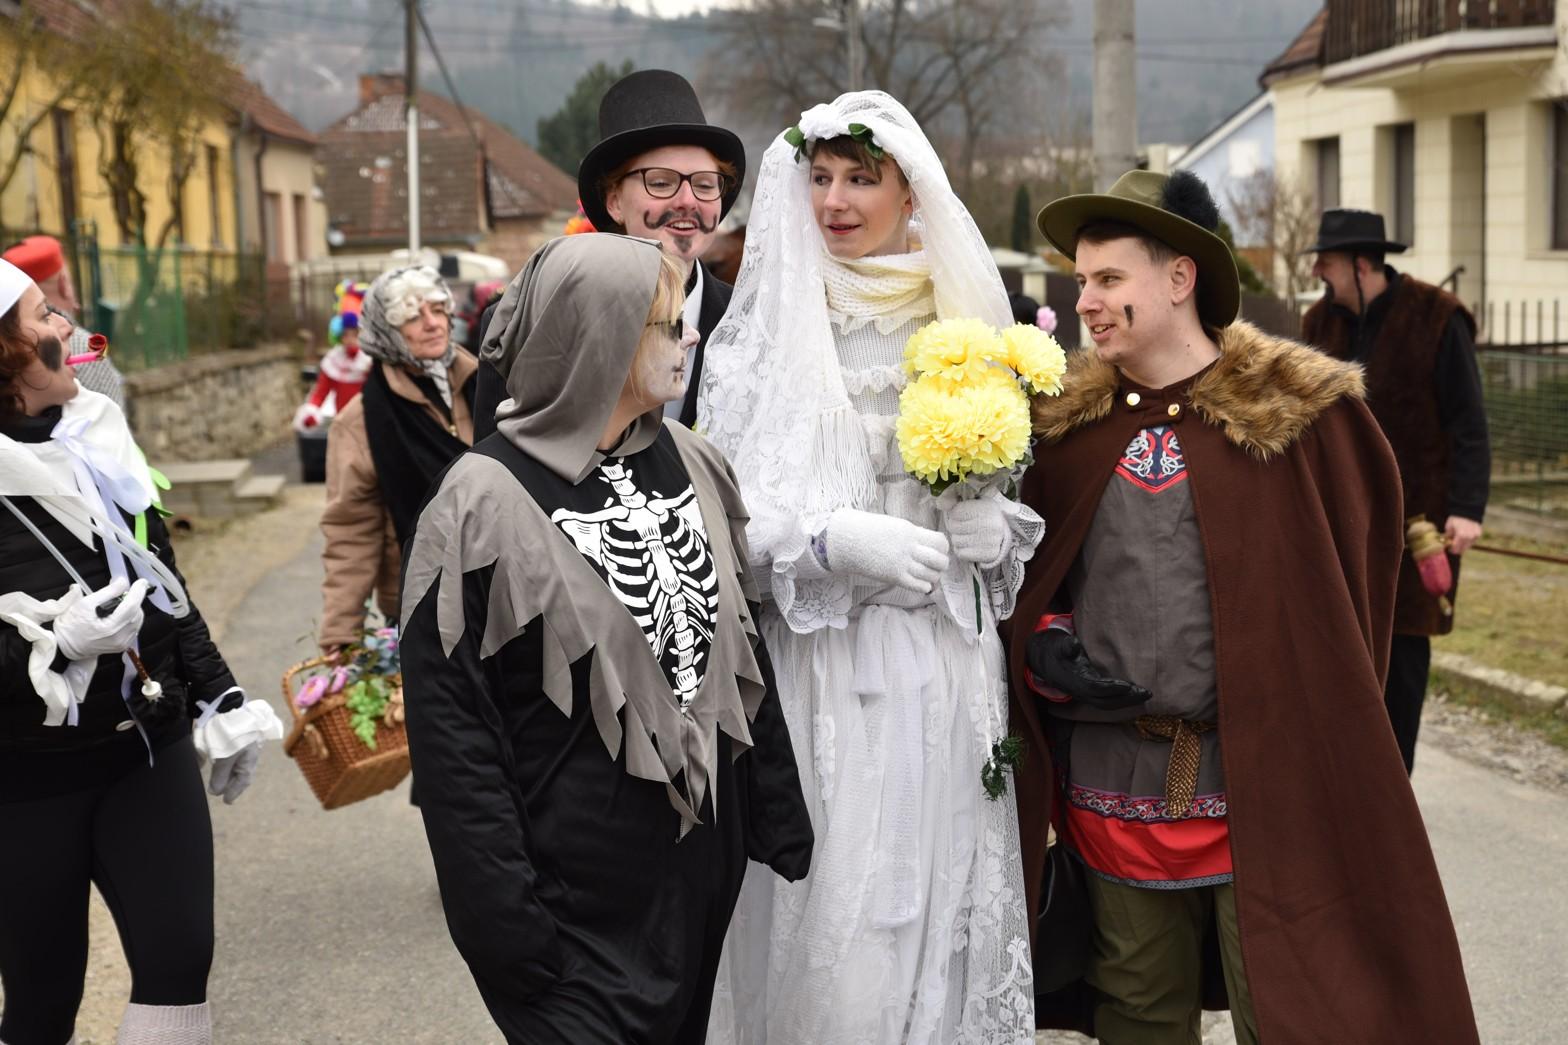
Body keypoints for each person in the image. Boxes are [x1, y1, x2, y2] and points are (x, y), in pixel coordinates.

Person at [1008, 170, 1478, 1042]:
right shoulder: (1065, 430)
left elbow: (1353, 590)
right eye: (1081, 281)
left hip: (1266, 786)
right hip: (1114, 783)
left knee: (1294, 1012)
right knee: (1138, 1017)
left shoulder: (1297, 419)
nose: (1086, 302)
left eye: (1108, 278)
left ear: (1179, 278)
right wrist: (1047, 639)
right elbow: (1031, 579)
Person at [400, 233, 813, 1044]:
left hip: (697, 882)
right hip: (572, 909)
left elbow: (740, 645)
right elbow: (455, 738)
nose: (693, 335)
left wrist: (774, 809)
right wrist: (504, 920)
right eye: (668, 323)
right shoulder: (478, 501)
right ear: (601, 338)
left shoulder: (692, 459)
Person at [698, 91, 1038, 1044]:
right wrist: (828, 544)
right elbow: (727, 532)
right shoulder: (771, 328)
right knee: (840, 924)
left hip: (944, 665)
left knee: (932, 904)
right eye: (821, 177)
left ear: (909, 191)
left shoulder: (963, 314)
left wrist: (995, 527)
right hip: (827, 669)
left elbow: (1003, 486)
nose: (835, 200)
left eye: (860, 178)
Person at [0, 259, 281, 1045]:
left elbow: (164, 582)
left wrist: (219, 693)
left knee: (179, 963)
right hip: (22, 782)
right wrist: (54, 644)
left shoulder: (96, 431)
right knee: (43, 1002)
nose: (66, 325)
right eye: (42, 315)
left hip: (145, 750)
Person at [1300, 208, 1490, 774]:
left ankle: (1392, 792)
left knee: (1401, 663)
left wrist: (1467, 509)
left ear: (1362, 265)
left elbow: (1469, 424)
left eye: (1326, 261)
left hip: (1417, 529)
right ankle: (1342, 790)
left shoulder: (1438, 318)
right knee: (1337, 654)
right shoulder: (1318, 323)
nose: (1317, 271)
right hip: (1337, 525)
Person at [473, 69, 743, 436]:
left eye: (705, 185)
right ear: (614, 201)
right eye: (660, 182)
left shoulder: (750, 321)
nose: (687, 200)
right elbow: (496, 459)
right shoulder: (529, 323)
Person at [316, 265, 476, 657]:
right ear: (386, 332)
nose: (432, 323)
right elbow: (351, 530)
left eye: (437, 310)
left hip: (511, 590)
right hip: (422, 605)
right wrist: (341, 630)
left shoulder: (487, 383)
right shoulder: (362, 421)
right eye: (412, 317)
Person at [3, 235, 125, 410]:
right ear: (64, 284)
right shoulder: (84, 345)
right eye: (44, 316)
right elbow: (114, 416)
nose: (66, 328)